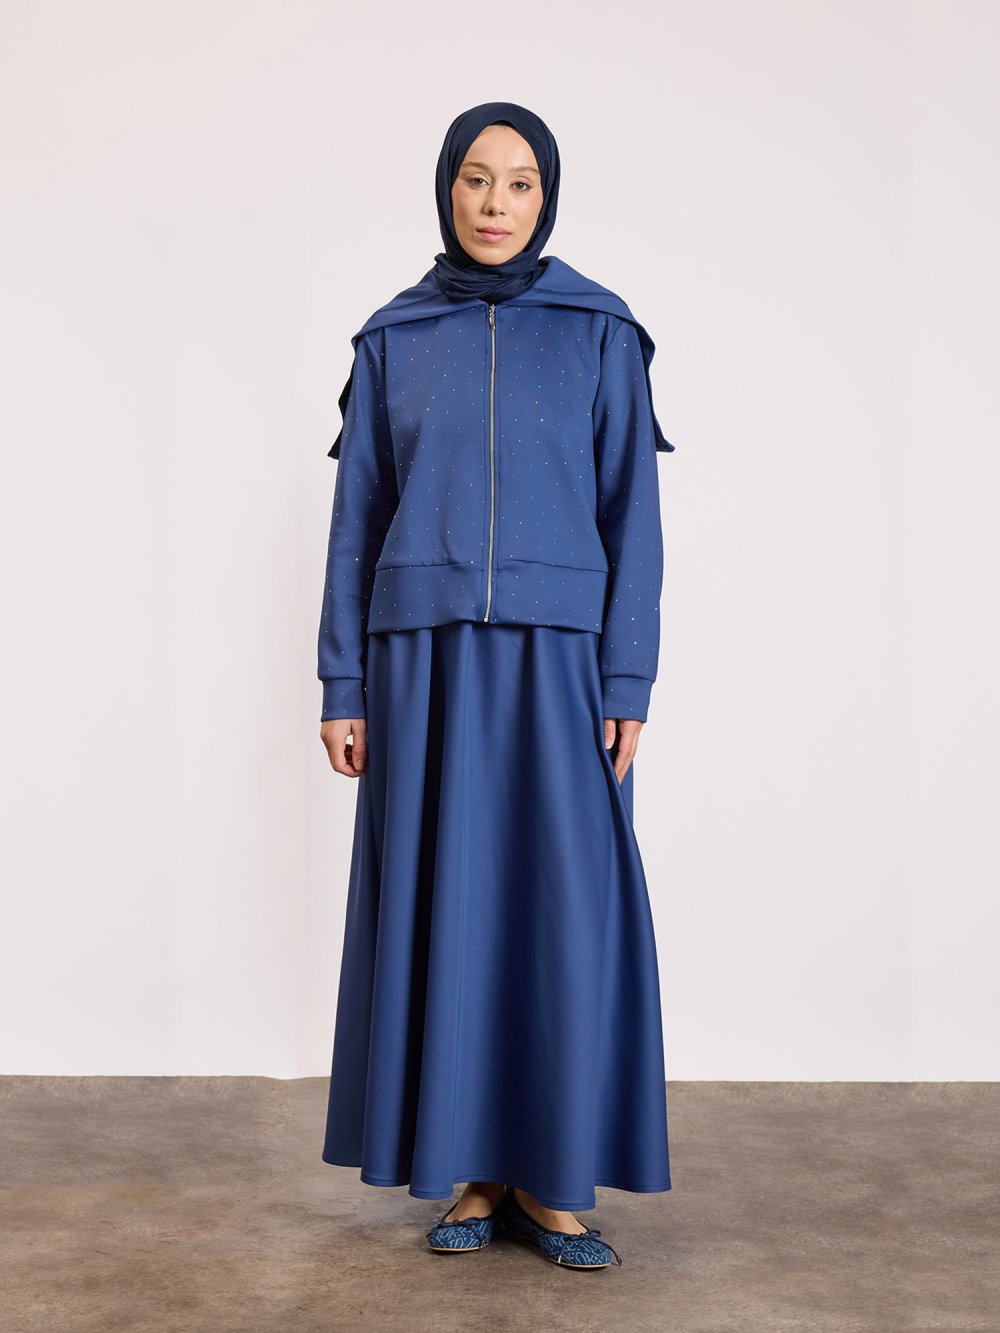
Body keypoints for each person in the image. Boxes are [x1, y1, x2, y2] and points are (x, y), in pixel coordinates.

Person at [317, 101, 674, 1271]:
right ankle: (471, 1169)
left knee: (562, 910)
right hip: (420, 664)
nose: (493, 203)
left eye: (519, 183)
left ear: (546, 198)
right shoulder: (394, 337)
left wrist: (627, 673)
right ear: (445, 188)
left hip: (561, 660)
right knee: (450, 909)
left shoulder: (599, 332)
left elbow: (632, 513)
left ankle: (553, 1180)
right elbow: (356, 521)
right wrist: (341, 681)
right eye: (476, 178)